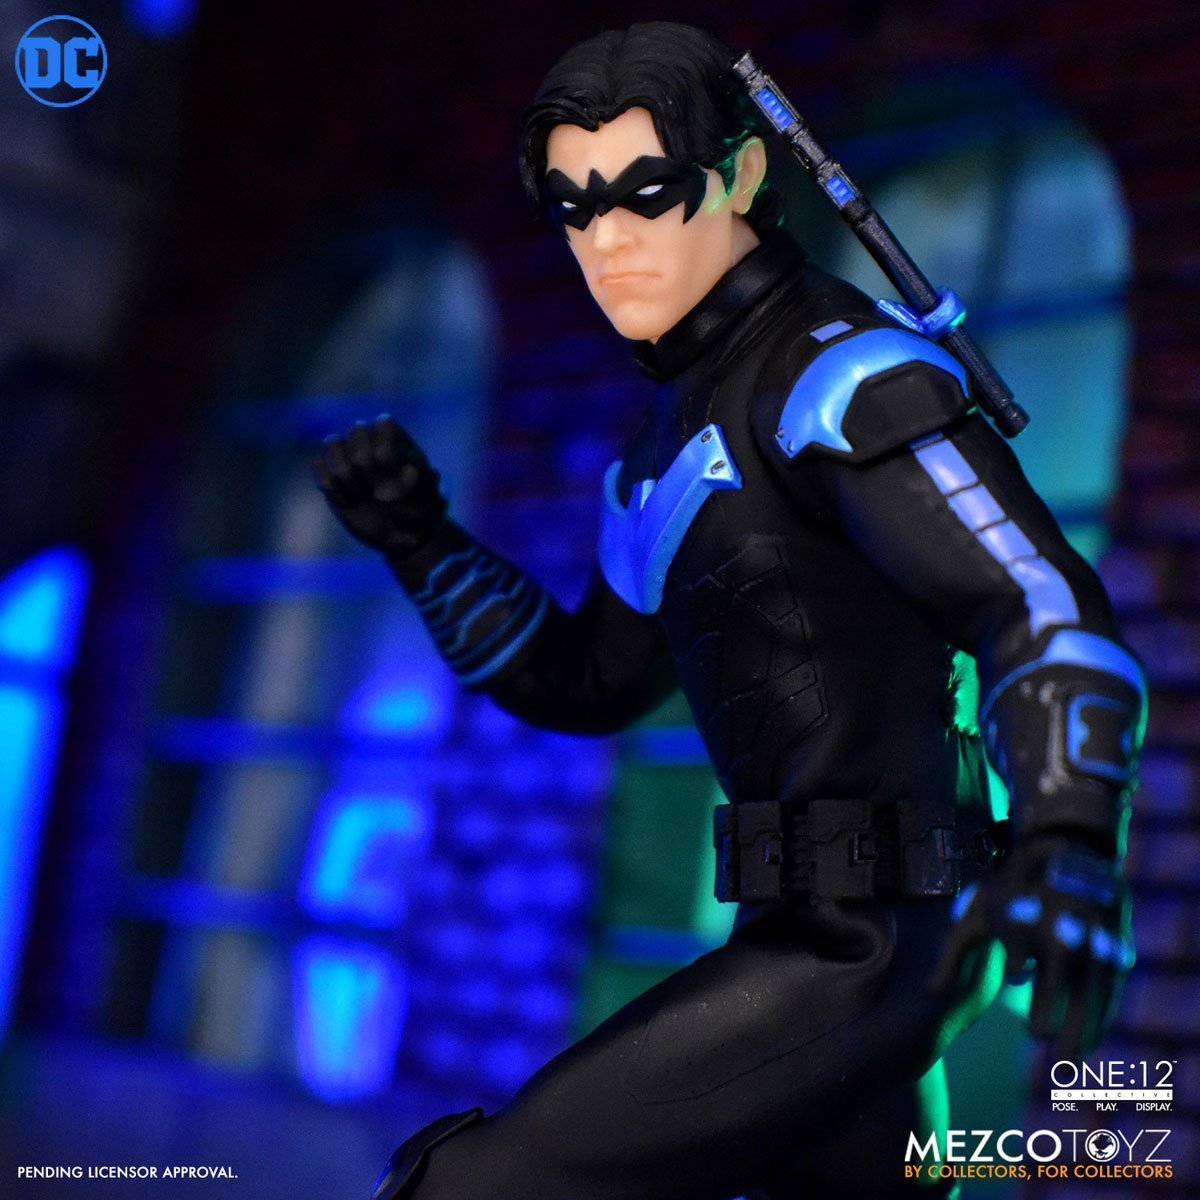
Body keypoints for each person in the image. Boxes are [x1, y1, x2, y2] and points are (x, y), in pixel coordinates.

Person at [314, 22, 1146, 1200]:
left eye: (646, 194)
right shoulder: (670, 436)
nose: (608, 242)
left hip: (870, 946)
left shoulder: (843, 375)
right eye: (574, 209)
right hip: (810, 930)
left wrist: (1070, 834)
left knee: (473, 1186)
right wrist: (421, 541)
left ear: (744, 175)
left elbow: (1033, 600)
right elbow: (589, 678)